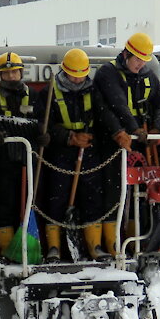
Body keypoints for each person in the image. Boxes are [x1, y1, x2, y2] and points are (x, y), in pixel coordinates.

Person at [34, 49, 125, 262]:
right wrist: (68, 137)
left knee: (93, 197)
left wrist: (118, 132)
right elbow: (41, 124)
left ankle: (94, 245)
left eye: (82, 75)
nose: (77, 79)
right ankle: (54, 247)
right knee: (56, 198)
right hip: (59, 153)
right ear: (64, 71)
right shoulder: (48, 93)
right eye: (74, 75)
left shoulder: (94, 92)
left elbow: (104, 113)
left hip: (89, 151)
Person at [94, 31, 160, 255]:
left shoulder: (147, 76)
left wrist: (157, 127)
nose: (140, 65)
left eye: (144, 61)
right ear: (126, 54)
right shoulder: (108, 73)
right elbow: (117, 104)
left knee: (142, 194)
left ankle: (139, 241)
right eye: (137, 60)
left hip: (143, 143)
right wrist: (131, 129)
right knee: (113, 193)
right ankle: (112, 242)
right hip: (113, 144)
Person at [0, 52, 40, 253]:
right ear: (1, 76)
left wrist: (44, 134)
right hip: (3, 160)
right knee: (4, 204)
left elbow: (40, 121)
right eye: (7, 73)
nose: (12, 76)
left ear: (21, 72)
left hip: (28, 158)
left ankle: (28, 247)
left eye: (15, 72)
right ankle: (7, 250)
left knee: (30, 203)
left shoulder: (32, 94)